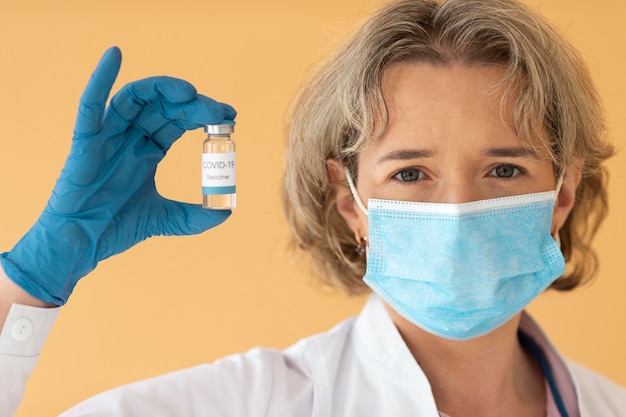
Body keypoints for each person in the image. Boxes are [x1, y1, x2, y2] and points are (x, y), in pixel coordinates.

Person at [1, 0, 625, 415]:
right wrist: (28, 284)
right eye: (410, 172)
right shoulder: (250, 404)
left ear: (561, 193)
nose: (458, 210)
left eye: (505, 169)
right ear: (348, 200)